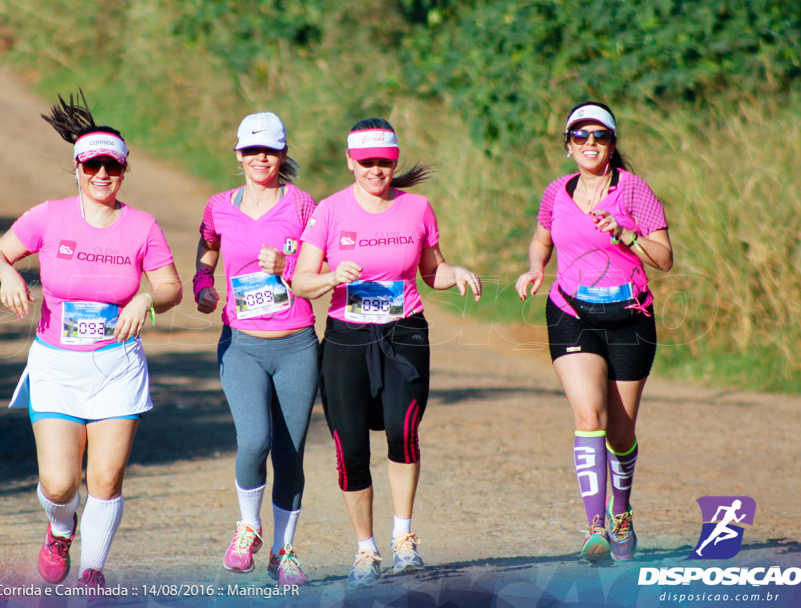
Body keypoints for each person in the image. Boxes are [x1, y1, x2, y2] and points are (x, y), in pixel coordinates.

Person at [0, 92, 182, 590]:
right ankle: (59, 527)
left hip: (117, 366)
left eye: (111, 166)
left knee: (105, 480)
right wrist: (6, 273)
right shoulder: (48, 217)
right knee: (59, 483)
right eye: (92, 164)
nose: (101, 174)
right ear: (76, 166)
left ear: (123, 170)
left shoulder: (142, 227)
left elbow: (171, 285)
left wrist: (146, 301)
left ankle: (93, 573)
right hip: (56, 365)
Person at [292, 118, 481, 589]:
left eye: (384, 162)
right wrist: (334, 277)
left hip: (405, 333)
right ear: (351, 162)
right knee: (351, 447)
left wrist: (453, 272)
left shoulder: (417, 208)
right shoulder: (329, 211)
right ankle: (365, 550)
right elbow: (300, 282)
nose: (376, 170)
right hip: (347, 339)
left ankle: (403, 541)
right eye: (367, 162)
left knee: (403, 432)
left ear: (394, 161)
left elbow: (431, 271)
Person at [515, 101, 673, 563]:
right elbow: (542, 237)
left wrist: (625, 235)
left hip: (630, 318)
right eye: (580, 136)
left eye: (599, 136)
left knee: (621, 435)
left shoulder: (634, 191)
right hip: (571, 312)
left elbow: (664, 258)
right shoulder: (556, 191)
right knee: (589, 416)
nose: (590, 144)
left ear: (612, 144)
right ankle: (595, 527)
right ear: (568, 145)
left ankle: (620, 513)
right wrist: (534, 269)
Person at [193, 112, 319, 587]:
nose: (259, 159)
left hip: (296, 345)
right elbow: (206, 249)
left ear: (283, 154)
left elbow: (318, 263)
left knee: (290, 452)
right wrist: (203, 285)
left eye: (268, 150)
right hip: (242, 345)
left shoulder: (303, 204)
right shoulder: (218, 206)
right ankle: (248, 527)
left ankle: (284, 553)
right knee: (254, 440)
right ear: (238, 155)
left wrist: (288, 264)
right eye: (250, 151)